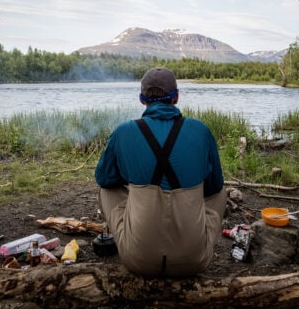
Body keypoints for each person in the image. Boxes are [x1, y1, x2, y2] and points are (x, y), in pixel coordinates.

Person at [95, 67, 226, 276]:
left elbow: (104, 179)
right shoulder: (200, 130)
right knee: (220, 193)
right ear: (176, 98)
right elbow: (214, 186)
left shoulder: (123, 131)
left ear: (141, 99)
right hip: (194, 260)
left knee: (106, 190)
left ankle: (135, 233)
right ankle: (193, 239)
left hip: (138, 260)